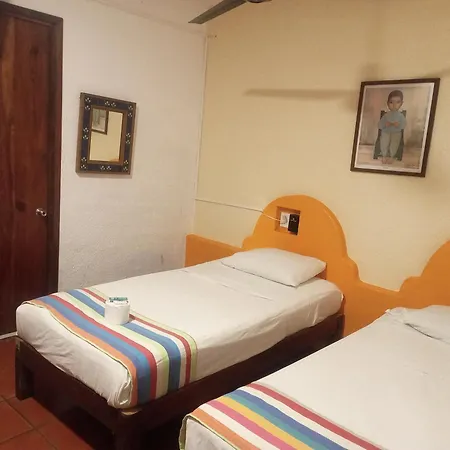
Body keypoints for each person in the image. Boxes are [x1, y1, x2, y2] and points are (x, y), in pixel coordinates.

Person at [378, 90, 407, 164]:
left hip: (396, 133)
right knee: (384, 142)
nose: (394, 105)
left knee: (394, 144)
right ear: (387, 103)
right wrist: (385, 124)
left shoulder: (400, 116)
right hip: (386, 132)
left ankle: (392, 156)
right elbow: (380, 125)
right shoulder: (386, 115)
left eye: (397, 102)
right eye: (391, 102)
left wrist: (399, 125)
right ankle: (384, 156)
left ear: (401, 103)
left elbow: (404, 124)